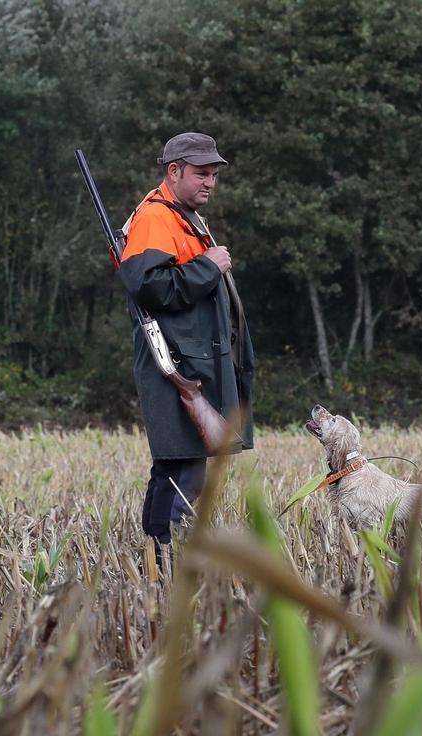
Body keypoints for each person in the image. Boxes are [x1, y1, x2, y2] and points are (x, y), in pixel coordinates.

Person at [118, 132, 255, 568]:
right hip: (178, 363)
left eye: (214, 174)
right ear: (173, 171)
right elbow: (149, 287)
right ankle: (164, 561)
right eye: (201, 173)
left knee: (179, 467)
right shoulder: (158, 219)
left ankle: (159, 560)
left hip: (193, 362)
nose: (210, 182)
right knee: (181, 469)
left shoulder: (184, 216)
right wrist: (207, 266)